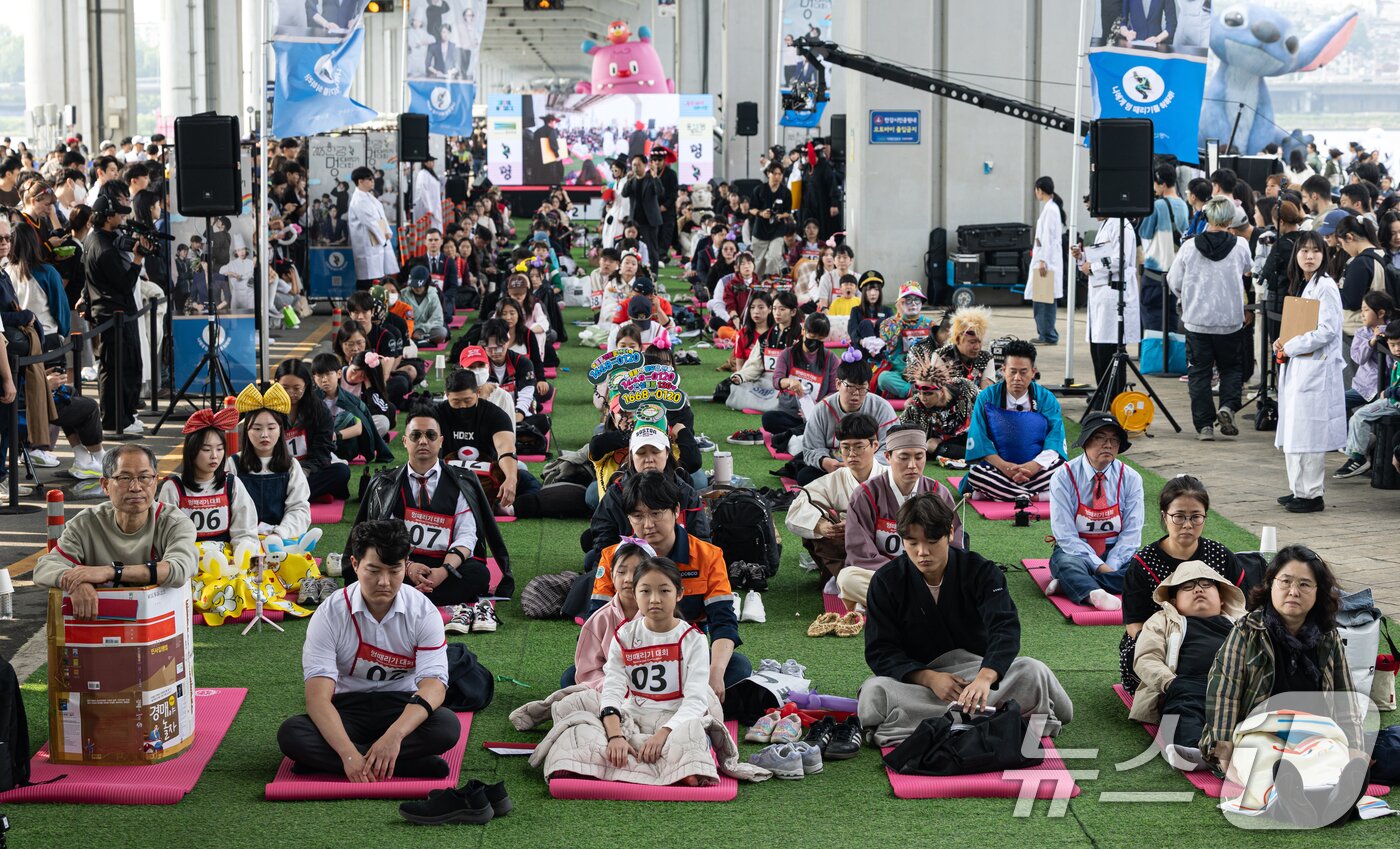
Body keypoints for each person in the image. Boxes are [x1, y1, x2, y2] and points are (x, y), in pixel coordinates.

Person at [857, 494, 1073, 746]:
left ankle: (945, 718)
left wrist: (985, 678)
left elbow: (1004, 628)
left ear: (949, 533)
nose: (922, 552)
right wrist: (929, 678)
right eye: (912, 543)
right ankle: (992, 715)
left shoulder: (981, 571)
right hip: (920, 683)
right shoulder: (886, 580)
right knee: (875, 693)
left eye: (931, 541)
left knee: (1031, 671)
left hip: (977, 675)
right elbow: (880, 649)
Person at [276, 520, 461, 781]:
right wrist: (347, 753)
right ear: (354, 564)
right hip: (347, 708)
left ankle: (331, 762)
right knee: (292, 734)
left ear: (405, 566)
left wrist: (395, 736)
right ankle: (404, 765)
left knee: (447, 727)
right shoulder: (329, 614)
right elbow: (317, 697)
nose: (384, 582)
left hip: (401, 703)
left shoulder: (423, 611)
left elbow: (434, 686)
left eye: (394, 571)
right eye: (373, 570)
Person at [1201, 546, 1360, 794]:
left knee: (1330, 760)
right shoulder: (1248, 631)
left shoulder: (1328, 636)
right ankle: (1290, 795)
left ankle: (1319, 796)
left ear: (1319, 592)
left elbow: (1345, 695)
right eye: (1285, 581)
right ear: (1270, 585)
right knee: (1265, 763)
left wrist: (1354, 749)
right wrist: (1224, 755)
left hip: (1314, 730)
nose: (1293, 592)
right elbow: (1224, 693)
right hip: (1259, 730)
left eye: (1305, 585)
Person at [588, 472, 752, 695]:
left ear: (676, 510)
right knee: (572, 676)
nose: (647, 525)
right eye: (637, 516)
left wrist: (714, 675)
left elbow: (723, 622)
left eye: (656, 513)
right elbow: (597, 622)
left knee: (737, 668)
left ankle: (656, 697)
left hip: (686, 655)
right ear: (628, 518)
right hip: (629, 657)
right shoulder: (612, 557)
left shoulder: (707, 556)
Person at [349, 407, 499, 630]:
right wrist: (407, 567)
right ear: (404, 442)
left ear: (440, 441)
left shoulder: (461, 482)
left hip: (445, 565)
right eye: (415, 435)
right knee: (376, 572)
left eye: (430, 435)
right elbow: (381, 539)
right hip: (400, 565)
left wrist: (444, 571)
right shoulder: (387, 483)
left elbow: (467, 535)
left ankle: (407, 598)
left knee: (478, 574)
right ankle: (421, 596)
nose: (423, 441)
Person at [34, 445, 198, 620]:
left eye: (144, 477)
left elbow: (179, 569)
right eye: (124, 478)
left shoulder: (174, 522)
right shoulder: (86, 523)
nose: (136, 487)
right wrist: (76, 583)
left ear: (155, 480)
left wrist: (111, 572)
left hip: (159, 629)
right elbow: (44, 568)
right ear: (105, 485)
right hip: (100, 628)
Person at [1118, 474, 1245, 692]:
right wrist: (1168, 650)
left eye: (1196, 517)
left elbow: (1242, 608)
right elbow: (1134, 623)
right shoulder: (1143, 562)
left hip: (1216, 639)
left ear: (1205, 517)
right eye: (1179, 516)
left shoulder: (1221, 555)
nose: (1187, 525)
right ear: (1164, 516)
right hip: (1161, 640)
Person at [595, 556, 715, 786]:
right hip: (632, 715)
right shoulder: (624, 635)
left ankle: (653, 763)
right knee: (582, 725)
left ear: (679, 594)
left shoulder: (693, 639)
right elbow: (612, 688)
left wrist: (663, 734)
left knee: (694, 733)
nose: (654, 600)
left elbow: (696, 701)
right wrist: (615, 736)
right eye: (645, 591)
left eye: (664, 591)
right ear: (635, 593)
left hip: (676, 717)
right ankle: (670, 767)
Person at [838, 426, 963, 612]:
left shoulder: (938, 493)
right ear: (888, 456)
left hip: (929, 574)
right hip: (884, 574)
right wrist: (903, 574)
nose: (912, 465)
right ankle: (924, 604)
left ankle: (896, 605)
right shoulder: (866, 494)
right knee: (848, 578)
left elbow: (954, 545)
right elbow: (860, 552)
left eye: (919, 457)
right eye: (904, 457)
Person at [1268, 230, 1343, 514]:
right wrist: (1283, 341)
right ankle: (1298, 489)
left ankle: (1312, 493)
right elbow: (1299, 326)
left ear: (1324, 255)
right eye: (1304, 250)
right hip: (1300, 365)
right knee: (1296, 430)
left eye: (1316, 251)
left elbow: (1326, 331)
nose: (1309, 256)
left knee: (1309, 434)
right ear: (1296, 254)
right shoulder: (1304, 284)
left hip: (1315, 368)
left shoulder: (1326, 286)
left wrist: (1291, 345)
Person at [1167, 196, 1253, 440]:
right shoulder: (1240, 246)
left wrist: (1186, 298)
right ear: (1230, 218)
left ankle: (1205, 426)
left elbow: (1173, 281)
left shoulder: (1189, 247)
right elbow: (1249, 269)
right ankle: (1227, 406)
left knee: (1199, 374)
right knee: (1231, 368)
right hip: (1230, 320)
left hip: (1197, 320)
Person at [584, 412, 709, 576]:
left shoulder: (686, 492)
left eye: (655, 452)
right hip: (631, 565)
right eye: (641, 453)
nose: (649, 459)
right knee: (593, 559)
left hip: (676, 565)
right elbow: (604, 541)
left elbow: (701, 540)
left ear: (667, 453)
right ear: (631, 456)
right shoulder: (616, 493)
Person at [1045, 413, 1145, 612]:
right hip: (1076, 552)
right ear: (1085, 442)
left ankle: (1074, 585)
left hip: (1117, 551)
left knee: (1145, 569)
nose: (1108, 445)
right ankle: (1093, 593)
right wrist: (1100, 566)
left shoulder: (1132, 478)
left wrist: (1113, 563)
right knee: (1066, 563)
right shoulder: (1063, 476)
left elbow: (1132, 533)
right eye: (1101, 438)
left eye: (1114, 440)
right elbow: (1064, 535)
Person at [963, 339, 1067, 501]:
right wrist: (1005, 467)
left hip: (1037, 470)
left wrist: (1034, 466)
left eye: (1023, 372)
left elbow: (1054, 440)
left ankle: (1007, 494)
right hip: (998, 468)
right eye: (1012, 371)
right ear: (1003, 370)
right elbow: (979, 439)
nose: (1017, 378)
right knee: (977, 474)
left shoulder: (1046, 398)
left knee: (1064, 471)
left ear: (1033, 372)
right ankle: (1036, 496)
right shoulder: (987, 397)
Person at [785, 413, 881, 584]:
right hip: (847, 552)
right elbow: (797, 509)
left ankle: (849, 579)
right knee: (813, 519)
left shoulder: (889, 478)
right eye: (845, 447)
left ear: (875, 446)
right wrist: (820, 526)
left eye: (859, 447)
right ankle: (845, 577)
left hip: (883, 548)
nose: (851, 454)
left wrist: (856, 526)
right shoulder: (835, 479)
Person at [81, 190, 147, 435]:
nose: (122, 218)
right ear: (108, 217)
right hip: (114, 314)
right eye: (119, 214)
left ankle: (123, 416)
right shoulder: (104, 247)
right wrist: (137, 260)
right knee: (119, 368)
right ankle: (115, 420)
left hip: (108, 312)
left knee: (116, 366)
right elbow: (124, 283)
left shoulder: (93, 239)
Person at [437, 368, 540, 512]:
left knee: (525, 479)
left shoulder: (495, 415)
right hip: (448, 478)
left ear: (478, 393)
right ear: (446, 396)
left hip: (489, 476)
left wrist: (510, 478)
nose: (462, 406)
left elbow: (506, 450)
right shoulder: (435, 414)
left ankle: (509, 508)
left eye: (468, 400)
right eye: (456, 401)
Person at [157, 408, 258, 553]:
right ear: (192, 451)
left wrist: (241, 557)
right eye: (206, 449)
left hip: (225, 562)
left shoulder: (232, 484)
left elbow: (245, 532)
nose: (214, 456)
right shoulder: (173, 488)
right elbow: (164, 535)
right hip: (186, 561)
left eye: (219, 449)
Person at [792, 354, 898, 485]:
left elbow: (892, 447)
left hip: (871, 469)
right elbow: (811, 448)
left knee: (893, 475)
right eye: (851, 387)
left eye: (862, 388)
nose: (856, 393)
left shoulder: (882, 408)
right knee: (805, 476)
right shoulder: (821, 409)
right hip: (835, 468)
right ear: (837, 384)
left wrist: (865, 466)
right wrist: (824, 461)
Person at [234, 383, 312, 540]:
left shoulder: (291, 465)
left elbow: (299, 508)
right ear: (246, 432)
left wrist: (280, 533)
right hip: (242, 538)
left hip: (281, 539)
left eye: (271, 428)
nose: (264, 434)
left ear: (280, 430)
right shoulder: (234, 464)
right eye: (256, 429)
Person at [756, 312, 842, 451]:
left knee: (832, 423)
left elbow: (834, 392)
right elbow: (776, 381)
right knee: (768, 419)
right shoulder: (787, 354)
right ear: (803, 331)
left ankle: (792, 435)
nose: (815, 342)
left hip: (816, 415)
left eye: (820, 339)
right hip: (788, 413)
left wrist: (816, 407)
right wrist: (789, 382)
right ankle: (807, 433)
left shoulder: (831, 359)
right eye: (812, 337)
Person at [570, 540, 649, 688]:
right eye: (621, 572)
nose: (629, 579)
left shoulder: (661, 616)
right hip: (608, 691)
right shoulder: (599, 620)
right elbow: (588, 671)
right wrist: (613, 688)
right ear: (612, 575)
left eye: (637, 571)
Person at [1076, 209, 1141, 383]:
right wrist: (1082, 258)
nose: (1091, 212)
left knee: (1109, 351)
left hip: (1112, 296)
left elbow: (1120, 259)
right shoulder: (1107, 225)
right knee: (1098, 350)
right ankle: (1103, 392)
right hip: (1101, 295)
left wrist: (1092, 267)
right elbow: (1101, 256)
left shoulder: (1121, 226)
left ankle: (1112, 396)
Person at [276, 359, 352, 502]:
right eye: (284, 388)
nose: (290, 393)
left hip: (308, 468)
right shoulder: (268, 409)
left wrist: (303, 472)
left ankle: (287, 496)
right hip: (277, 470)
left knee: (341, 471)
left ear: (306, 385)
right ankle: (304, 494)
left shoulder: (319, 410)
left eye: (297, 388)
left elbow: (322, 451)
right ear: (276, 384)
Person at [875, 284, 936, 397]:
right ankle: (915, 392)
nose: (913, 304)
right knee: (883, 378)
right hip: (899, 372)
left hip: (925, 372)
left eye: (917, 300)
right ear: (900, 303)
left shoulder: (930, 324)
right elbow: (888, 340)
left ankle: (918, 390)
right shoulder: (888, 323)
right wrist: (899, 316)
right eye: (908, 300)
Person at [1026, 176, 1065, 345]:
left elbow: (1047, 237)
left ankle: (1048, 335)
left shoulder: (1051, 210)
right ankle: (1045, 333)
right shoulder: (1051, 208)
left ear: (1040, 190)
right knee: (1042, 297)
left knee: (1044, 298)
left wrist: (1043, 260)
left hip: (1046, 261)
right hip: (1046, 258)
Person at [348, 166, 399, 290]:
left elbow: (381, 217)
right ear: (360, 181)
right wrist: (384, 236)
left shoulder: (368, 196)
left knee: (377, 278)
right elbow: (370, 222)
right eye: (369, 179)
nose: (373, 181)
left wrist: (386, 231)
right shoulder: (358, 200)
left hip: (377, 240)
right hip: (367, 244)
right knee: (368, 280)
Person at [749, 163, 794, 276]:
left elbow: (788, 212)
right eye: (775, 173)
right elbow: (751, 209)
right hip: (760, 230)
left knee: (774, 257)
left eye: (780, 174)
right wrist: (761, 213)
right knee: (759, 263)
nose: (777, 176)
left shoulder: (786, 192)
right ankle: (757, 287)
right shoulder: (759, 189)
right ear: (768, 174)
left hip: (777, 230)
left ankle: (770, 283)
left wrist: (780, 216)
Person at [621, 155, 661, 274]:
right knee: (632, 247)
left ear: (645, 165)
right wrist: (627, 181)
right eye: (634, 165)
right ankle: (634, 271)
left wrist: (655, 177)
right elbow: (624, 194)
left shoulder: (650, 179)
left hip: (650, 220)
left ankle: (653, 273)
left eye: (638, 165)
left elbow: (660, 191)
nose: (636, 167)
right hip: (635, 221)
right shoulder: (631, 180)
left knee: (651, 248)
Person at [403, 267, 446, 345]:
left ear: (426, 284)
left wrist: (421, 329)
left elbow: (437, 319)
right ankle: (422, 340)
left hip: (426, 330)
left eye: (420, 286)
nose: (418, 289)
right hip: (408, 329)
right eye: (415, 286)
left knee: (442, 332)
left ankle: (417, 340)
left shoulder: (433, 294)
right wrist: (412, 330)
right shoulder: (403, 294)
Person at [412, 154, 443, 233]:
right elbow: (423, 192)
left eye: (433, 161)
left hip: (434, 206)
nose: (433, 163)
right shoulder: (423, 174)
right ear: (425, 163)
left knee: (435, 228)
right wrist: (429, 209)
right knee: (428, 230)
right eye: (430, 161)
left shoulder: (430, 174)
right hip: (427, 208)